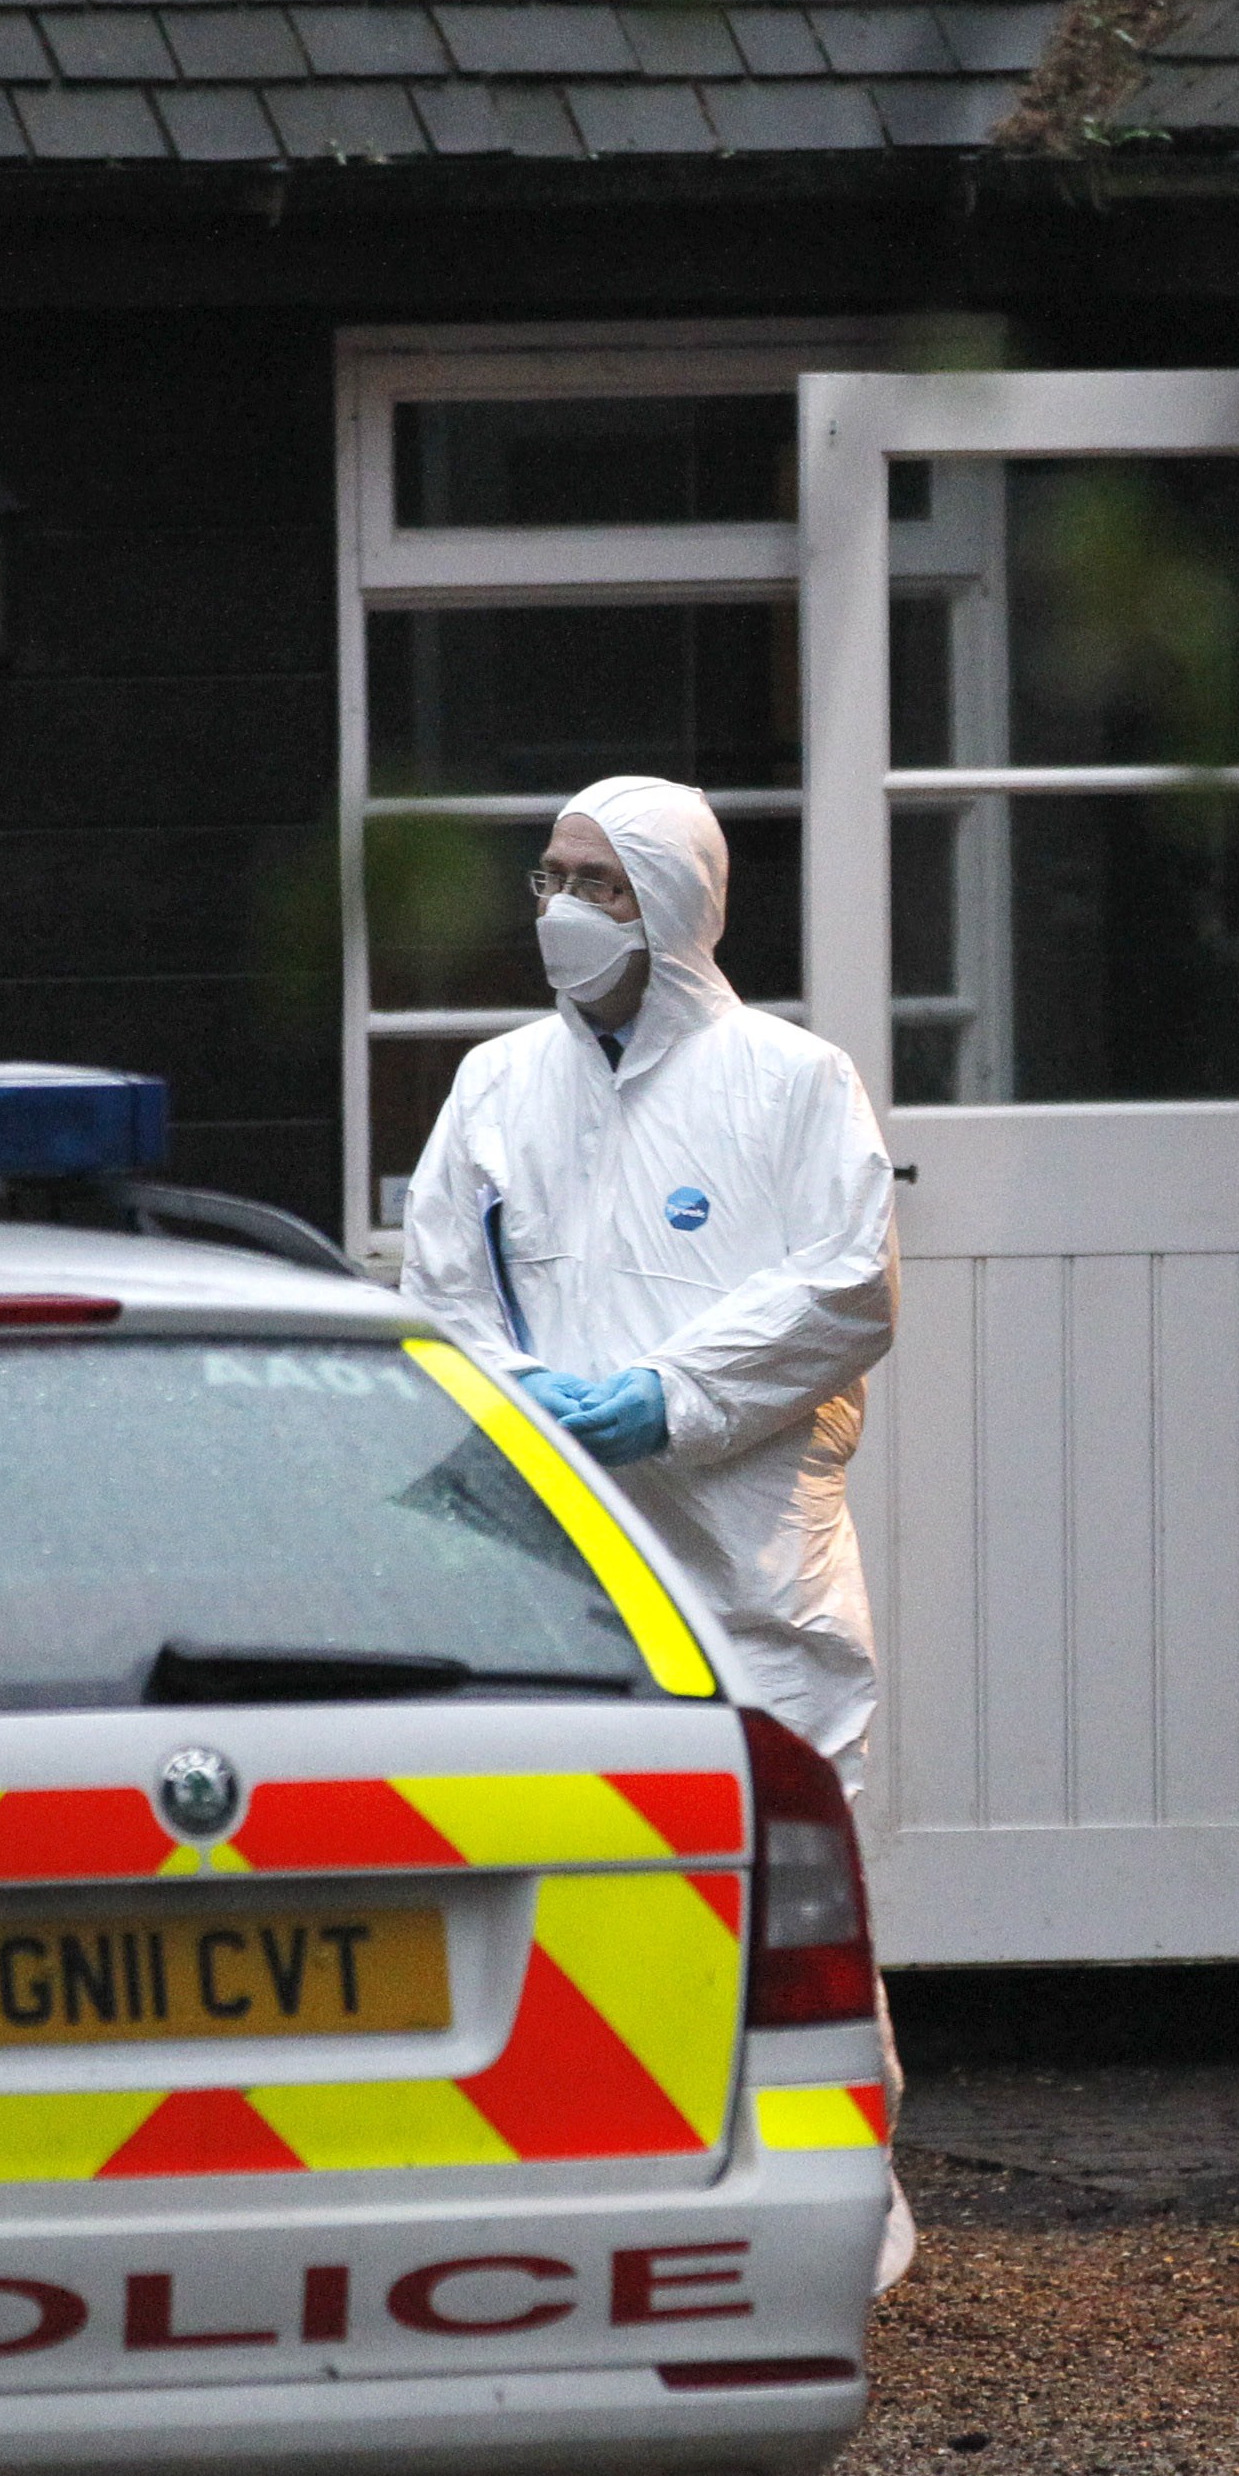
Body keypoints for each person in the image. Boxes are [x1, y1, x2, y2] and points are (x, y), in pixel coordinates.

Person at [399, 773, 912, 2283]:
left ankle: (829, 2224)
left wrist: (663, 1399)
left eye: (597, 882)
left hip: (756, 1566)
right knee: (560, 1886)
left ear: (676, 903)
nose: (558, 908)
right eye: (547, 874)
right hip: (554, 1561)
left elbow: (848, 1290)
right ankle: (587, 2203)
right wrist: (527, 1408)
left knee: (788, 1897)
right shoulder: (495, 1085)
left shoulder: (793, 1081)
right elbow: (438, 1288)